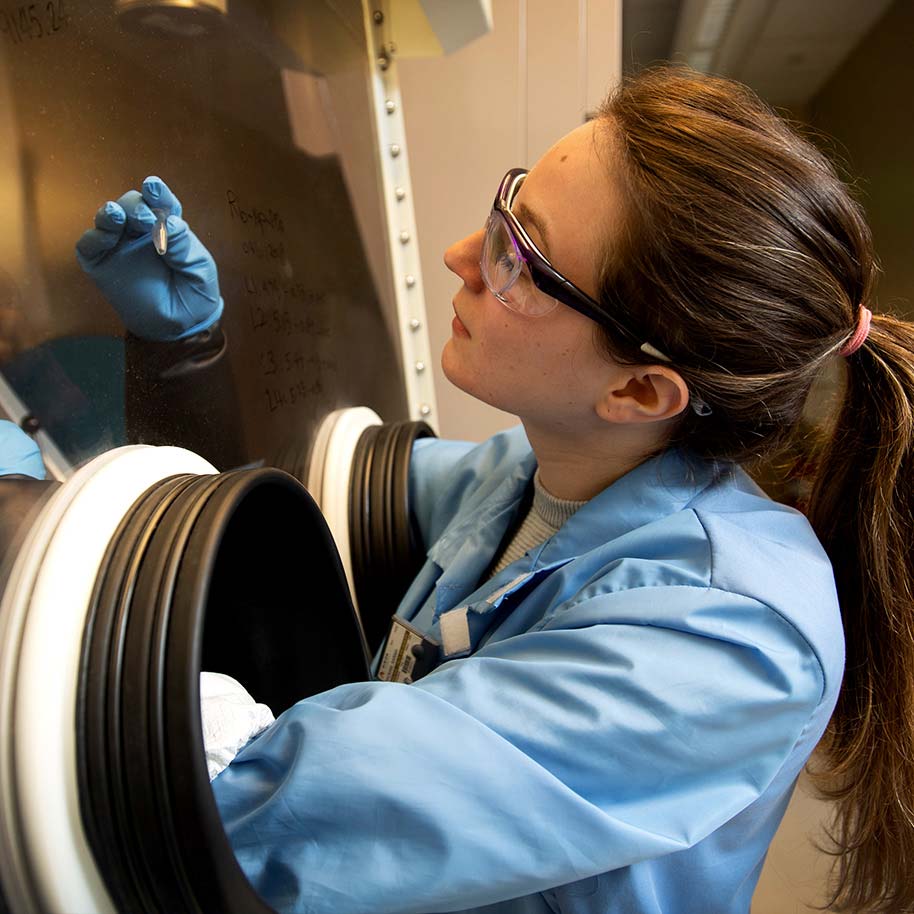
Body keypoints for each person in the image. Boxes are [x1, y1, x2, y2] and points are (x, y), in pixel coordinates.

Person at [16, 64, 914, 912]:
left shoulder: (729, 645)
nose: (458, 255)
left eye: (521, 259)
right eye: (507, 208)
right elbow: (245, 541)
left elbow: (259, 815)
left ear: (639, 392)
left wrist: (16, 523)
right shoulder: (543, 477)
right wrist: (184, 361)